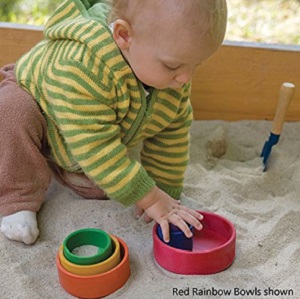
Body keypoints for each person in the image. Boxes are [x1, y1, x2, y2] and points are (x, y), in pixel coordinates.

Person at [0, 0, 227, 245]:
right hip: (41, 108)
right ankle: (17, 199)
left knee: (108, 187)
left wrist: (165, 193)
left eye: (196, 65)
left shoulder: (174, 79)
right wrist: (150, 199)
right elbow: (96, 147)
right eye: (173, 65)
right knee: (12, 112)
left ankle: (58, 165)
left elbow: (172, 133)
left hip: (81, 133)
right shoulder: (82, 65)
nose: (185, 77)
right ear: (124, 35)